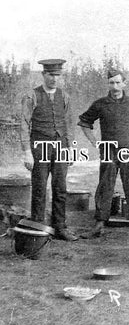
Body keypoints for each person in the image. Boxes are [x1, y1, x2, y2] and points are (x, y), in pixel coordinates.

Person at [78, 69, 129, 238]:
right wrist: (93, 141)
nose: (114, 86)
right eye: (111, 83)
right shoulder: (100, 104)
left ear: (124, 83)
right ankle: (100, 223)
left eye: (117, 82)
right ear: (108, 84)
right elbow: (84, 122)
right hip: (108, 150)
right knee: (105, 185)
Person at [19, 59, 78, 241]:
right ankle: (38, 228)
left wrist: (71, 149)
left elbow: (69, 125)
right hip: (39, 147)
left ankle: (60, 227)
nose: (54, 78)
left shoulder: (65, 96)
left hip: (60, 147)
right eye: (51, 74)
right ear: (43, 75)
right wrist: (27, 152)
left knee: (60, 188)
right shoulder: (32, 96)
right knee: (39, 188)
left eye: (57, 75)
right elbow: (24, 124)